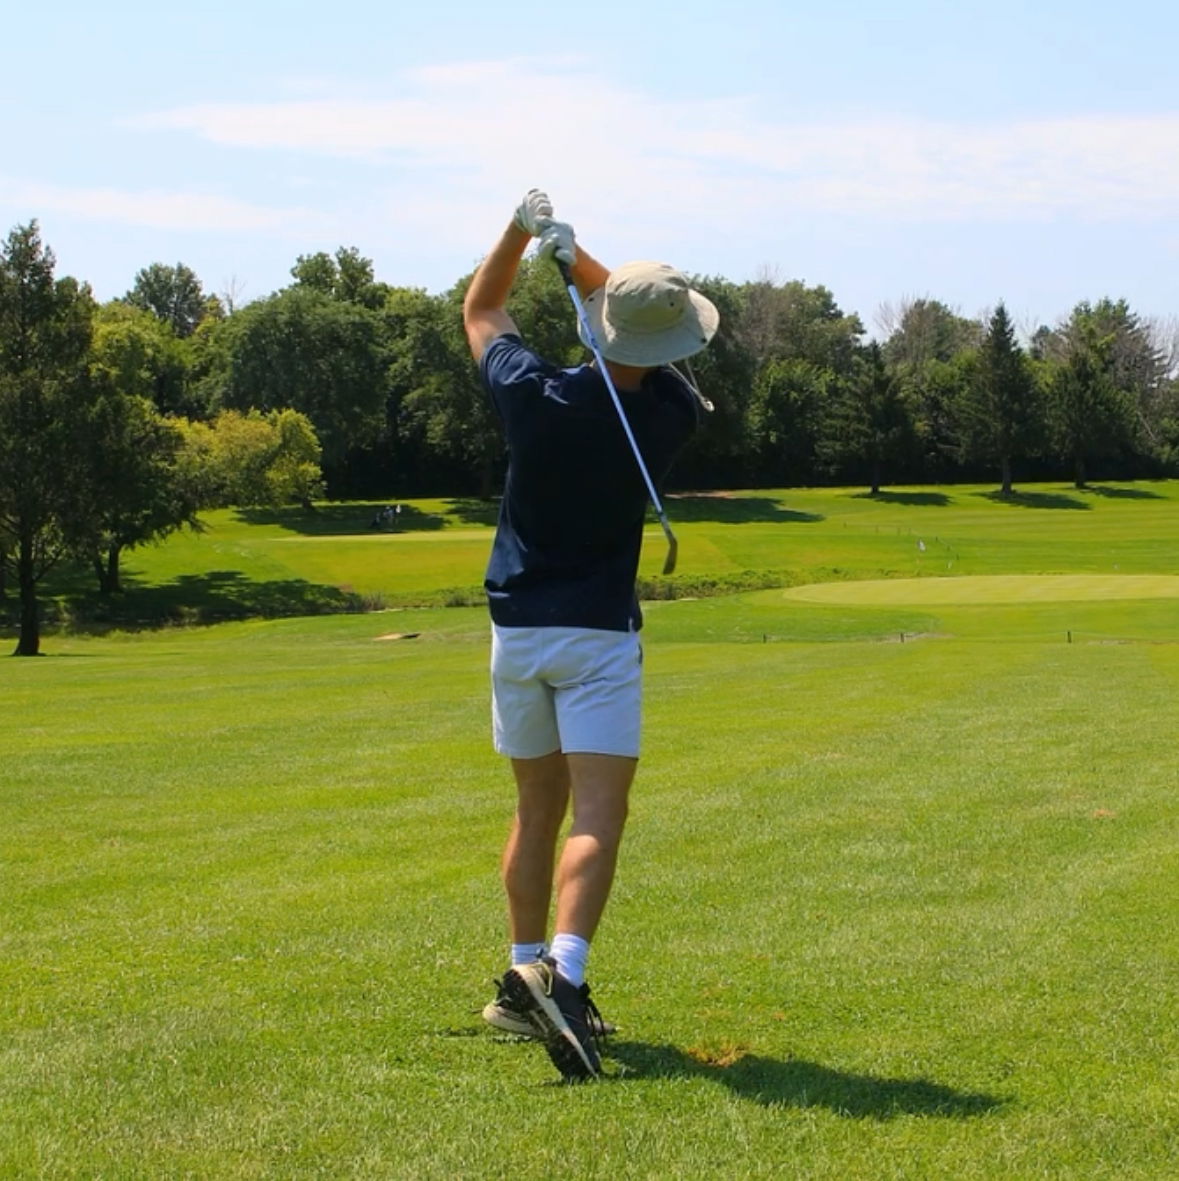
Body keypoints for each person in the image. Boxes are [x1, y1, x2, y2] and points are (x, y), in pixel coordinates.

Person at [462, 189, 719, 1081]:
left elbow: (481, 308)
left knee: (537, 807)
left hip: (517, 632)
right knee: (597, 815)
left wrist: (522, 234)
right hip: (598, 636)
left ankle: (518, 969)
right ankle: (561, 978)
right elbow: (653, 329)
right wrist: (579, 263)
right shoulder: (671, 415)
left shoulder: (530, 393)